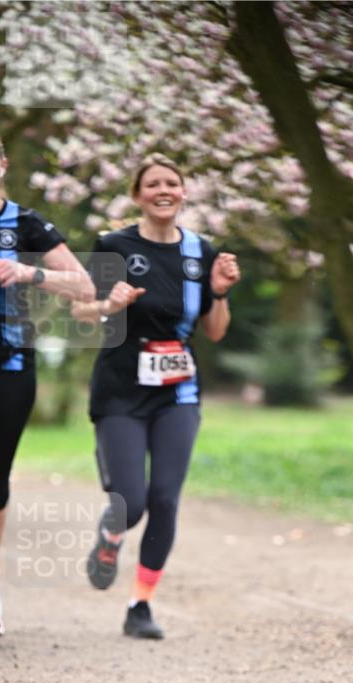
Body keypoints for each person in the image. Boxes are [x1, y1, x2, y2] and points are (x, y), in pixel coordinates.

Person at [72, 153, 240, 639]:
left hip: (178, 391)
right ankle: (111, 533)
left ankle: (140, 605)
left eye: (172, 182)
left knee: (165, 499)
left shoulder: (200, 251)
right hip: (121, 389)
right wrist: (111, 303)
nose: (163, 190)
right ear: (137, 195)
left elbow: (214, 331)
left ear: (183, 192)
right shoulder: (114, 245)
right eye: (153, 184)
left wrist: (221, 293)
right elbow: (83, 315)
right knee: (131, 502)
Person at [0, 124, 95, 638]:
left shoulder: (25, 224)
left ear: (3, 165)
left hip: (11, 368)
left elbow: (86, 285)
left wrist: (31, 275)